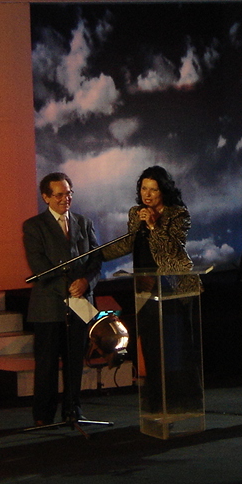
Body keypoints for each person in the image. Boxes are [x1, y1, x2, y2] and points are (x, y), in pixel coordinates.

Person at [101, 166, 198, 408]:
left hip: (173, 288)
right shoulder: (137, 213)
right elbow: (128, 243)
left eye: (153, 190)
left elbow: (171, 249)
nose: (147, 194)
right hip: (145, 289)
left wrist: (154, 226)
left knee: (175, 347)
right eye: (144, 189)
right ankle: (156, 398)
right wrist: (96, 255)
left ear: (163, 191)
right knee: (151, 345)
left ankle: (182, 399)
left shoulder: (178, 214)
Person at [22, 171, 101, 426]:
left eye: (68, 193)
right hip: (49, 305)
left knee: (75, 362)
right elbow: (39, 266)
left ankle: (73, 410)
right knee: (46, 364)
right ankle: (43, 415)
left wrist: (86, 282)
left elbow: (96, 261)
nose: (65, 199)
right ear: (46, 197)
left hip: (80, 304)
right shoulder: (34, 226)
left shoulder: (84, 223)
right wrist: (69, 288)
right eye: (59, 195)